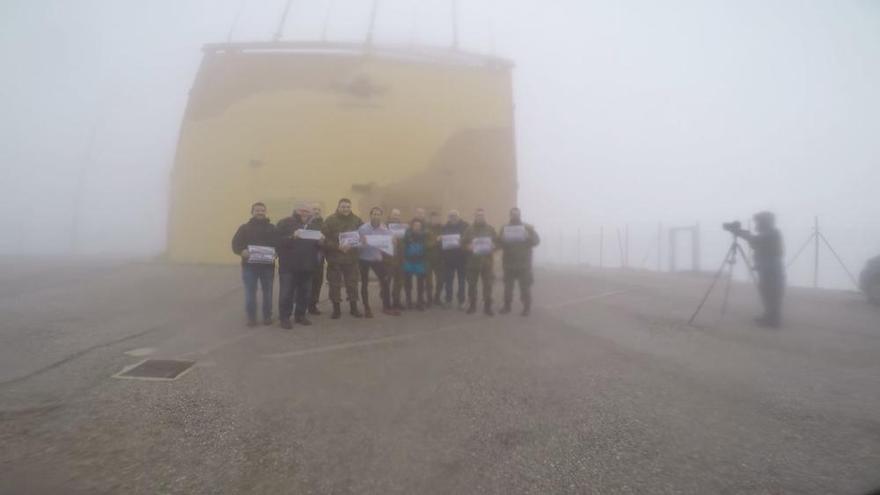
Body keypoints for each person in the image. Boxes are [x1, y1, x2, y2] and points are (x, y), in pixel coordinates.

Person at [275, 202, 324, 329]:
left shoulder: (313, 226)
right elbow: (277, 242)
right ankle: (285, 318)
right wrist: (292, 237)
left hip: (307, 266)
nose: (304, 213)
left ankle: (300, 315)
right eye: (302, 210)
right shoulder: (284, 223)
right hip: (289, 267)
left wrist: (320, 242)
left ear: (311, 214)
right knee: (286, 294)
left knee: (305, 293)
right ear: (295, 211)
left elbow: (317, 246)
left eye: (307, 211)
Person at [734, 211, 786, 328]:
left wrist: (741, 233)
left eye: (758, 222)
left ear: (765, 222)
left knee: (771, 292)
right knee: (766, 292)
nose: (756, 224)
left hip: (771, 269)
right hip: (767, 268)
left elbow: (756, 241)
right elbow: (756, 244)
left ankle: (773, 320)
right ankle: (769, 316)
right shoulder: (771, 233)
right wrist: (744, 234)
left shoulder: (772, 233)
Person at [231, 202, 278, 326]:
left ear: (265, 212)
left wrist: (276, 253)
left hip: (267, 267)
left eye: (262, 210)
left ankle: (267, 316)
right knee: (250, 293)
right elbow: (235, 245)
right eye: (257, 210)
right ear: (252, 212)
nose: (260, 212)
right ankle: (251, 318)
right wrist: (242, 251)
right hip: (249, 267)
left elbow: (278, 244)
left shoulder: (272, 228)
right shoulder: (244, 228)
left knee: (267, 293)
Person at [320, 198, 364, 319]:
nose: (346, 209)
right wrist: (337, 247)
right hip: (335, 259)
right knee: (334, 285)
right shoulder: (330, 220)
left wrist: (355, 244)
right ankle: (336, 310)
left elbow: (363, 236)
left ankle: (354, 308)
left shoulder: (357, 220)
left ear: (351, 208)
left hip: (352, 258)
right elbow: (323, 240)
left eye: (348, 207)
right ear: (338, 207)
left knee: (352, 284)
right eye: (343, 207)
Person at [358, 207, 400, 317]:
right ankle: (367, 307)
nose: (376, 216)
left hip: (377, 259)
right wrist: (361, 243)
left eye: (378, 214)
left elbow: (391, 243)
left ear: (381, 216)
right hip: (364, 259)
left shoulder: (384, 229)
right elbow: (356, 244)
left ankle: (387, 307)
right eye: (374, 214)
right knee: (364, 283)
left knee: (385, 281)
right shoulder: (363, 228)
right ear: (370, 215)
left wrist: (394, 241)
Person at [498, 207, 541, 316]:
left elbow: (536, 241)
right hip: (508, 264)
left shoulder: (527, 228)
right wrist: (501, 239)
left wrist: (528, 237)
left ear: (520, 215)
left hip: (524, 265)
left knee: (525, 288)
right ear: (510, 215)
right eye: (513, 214)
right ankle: (507, 306)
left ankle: (526, 308)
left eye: (517, 214)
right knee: (508, 288)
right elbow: (499, 244)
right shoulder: (504, 228)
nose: (515, 216)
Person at [462, 208, 499, 316]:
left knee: (488, 285)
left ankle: (488, 307)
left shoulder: (490, 229)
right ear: (475, 216)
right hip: (472, 263)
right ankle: (472, 306)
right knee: (472, 285)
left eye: (482, 215)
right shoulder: (469, 229)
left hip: (487, 263)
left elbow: (498, 241)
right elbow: (462, 243)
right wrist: (467, 246)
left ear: (484, 216)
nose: (480, 217)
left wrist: (494, 246)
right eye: (478, 215)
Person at [440, 209, 469, 309]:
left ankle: (461, 301)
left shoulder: (465, 226)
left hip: (462, 258)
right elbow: (441, 241)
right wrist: (440, 239)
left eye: (455, 215)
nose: (453, 217)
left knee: (461, 282)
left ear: (458, 216)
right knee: (448, 281)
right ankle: (448, 300)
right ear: (449, 217)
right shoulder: (445, 227)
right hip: (448, 259)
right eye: (451, 216)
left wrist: (463, 241)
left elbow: (469, 239)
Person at [402, 218, 429, 310]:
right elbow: (402, 245)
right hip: (408, 261)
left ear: (421, 227)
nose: (417, 227)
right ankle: (408, 301)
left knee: (420, 284)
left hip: (420, 262)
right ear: (412, 226)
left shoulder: (425, 235)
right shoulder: (406, 234)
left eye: (419, 226)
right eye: (415, 225)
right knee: (407, 283)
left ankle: (419, 302)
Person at [386, 208, 407, 310]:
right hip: (388, 259)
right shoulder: (384, 227)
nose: (396, 217)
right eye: (394, 215)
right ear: (390, 215)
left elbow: (407, 240)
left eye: (398, 215)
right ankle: (386, 302)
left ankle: (396, 301)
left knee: (399, 281)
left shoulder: (403, 227)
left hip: (400, 258)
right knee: (386, 281)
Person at [426, 211, 446, 308]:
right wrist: (436, 241)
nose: (436, 220)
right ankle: (429, 299)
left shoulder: (443, 228)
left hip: (440, 259)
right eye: (434, 218)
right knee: (429, 281)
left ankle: (437, 298)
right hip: (428, 259)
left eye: (437, 218)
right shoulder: (425, 228)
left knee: (441, 280)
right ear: (431, 219)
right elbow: (425, 244)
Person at [308, 203, 325, 315]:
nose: (316, 211)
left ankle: (313, 305)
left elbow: (328, 238)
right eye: (314, 209)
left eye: (318, 209)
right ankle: (303, 304)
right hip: (306, 257)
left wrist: (323, 241)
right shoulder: (305, 223)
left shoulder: (324, 224)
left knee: (317, 282)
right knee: (306, 282)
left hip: (319, 256)